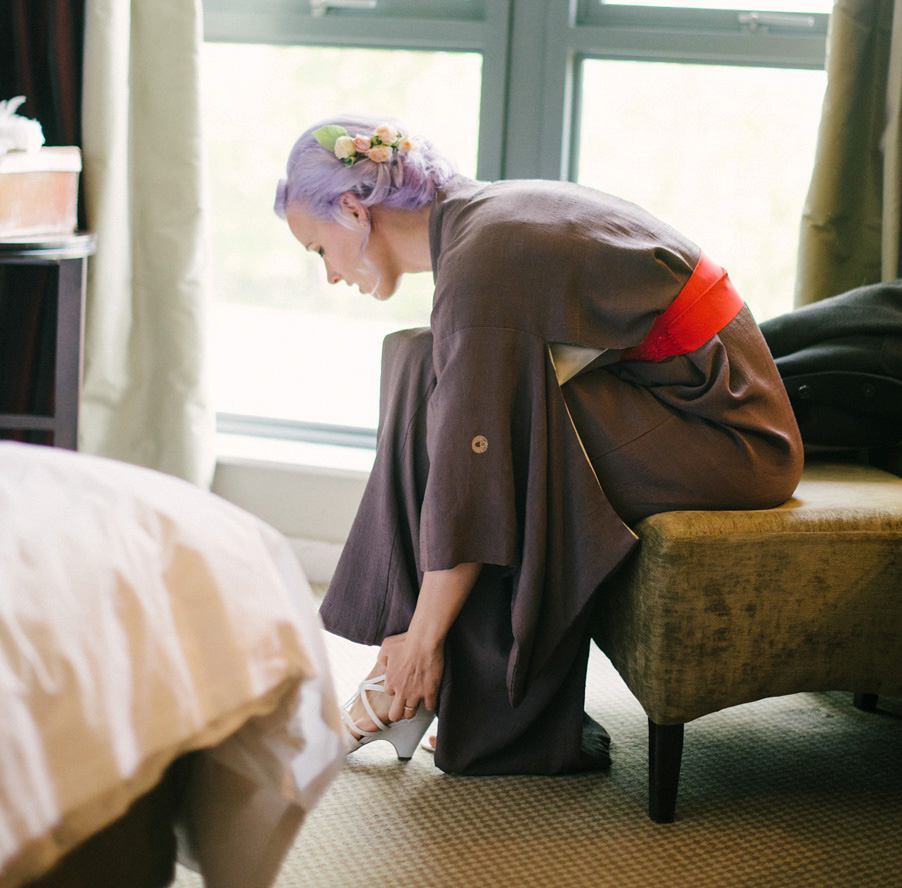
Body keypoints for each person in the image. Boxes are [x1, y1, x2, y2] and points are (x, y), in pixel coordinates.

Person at [274, 114, 803, 777]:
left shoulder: (480, 265)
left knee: (498, 442)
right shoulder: (474, 225)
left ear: (354, 211)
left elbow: (476, 464)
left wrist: (430, 634)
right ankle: (403, 668)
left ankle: (456, 696)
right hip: (680, 401)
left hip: (733, 436)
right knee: (419, 359)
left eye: (317, 249)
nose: (327, 275)